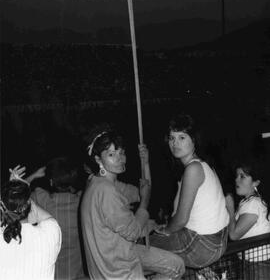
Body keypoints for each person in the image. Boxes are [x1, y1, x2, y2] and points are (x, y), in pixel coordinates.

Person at [80, 128, 185, 280]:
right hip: (116, 270)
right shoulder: (105, 191)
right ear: (98, 159)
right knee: (175, 267)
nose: (120, 158)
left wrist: (146, 164)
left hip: (117, 253)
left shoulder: (99, 182)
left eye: (121, 153)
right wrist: (144, 204)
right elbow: (134, 231)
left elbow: (143, 192)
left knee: (176, 265)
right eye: (111, 154)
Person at [150, 113, 229, 269]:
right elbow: (175, 213)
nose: (175, 143)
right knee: (161, 254)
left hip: (203, 244)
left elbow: (180, 220)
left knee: (142, 246)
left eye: (182, 137)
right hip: (218, 240)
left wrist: (166, 231)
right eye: (172, 138)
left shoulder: (193, 169)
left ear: (194, 140)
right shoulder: (201, 165)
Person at [10, 157, 87, 280]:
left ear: (51, 182)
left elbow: (16, 198)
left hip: (51, 275)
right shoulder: (82, 200)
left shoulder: (42, 199)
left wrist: (34, 176)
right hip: (77, 274)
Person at [0, 179, 62, 280]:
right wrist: (21, 196)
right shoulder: (50, 233)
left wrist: (10, 198)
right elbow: (46, 217)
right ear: (28, 202)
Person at [225, 159, 270, 279]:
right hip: (253, 264)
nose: (236, 180)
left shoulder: (253, 204)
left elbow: (234, 235)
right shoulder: (249, 201)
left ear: (255, 183)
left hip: (257, 266)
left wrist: (229, 207)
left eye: (242, 176)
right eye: (236, 176)